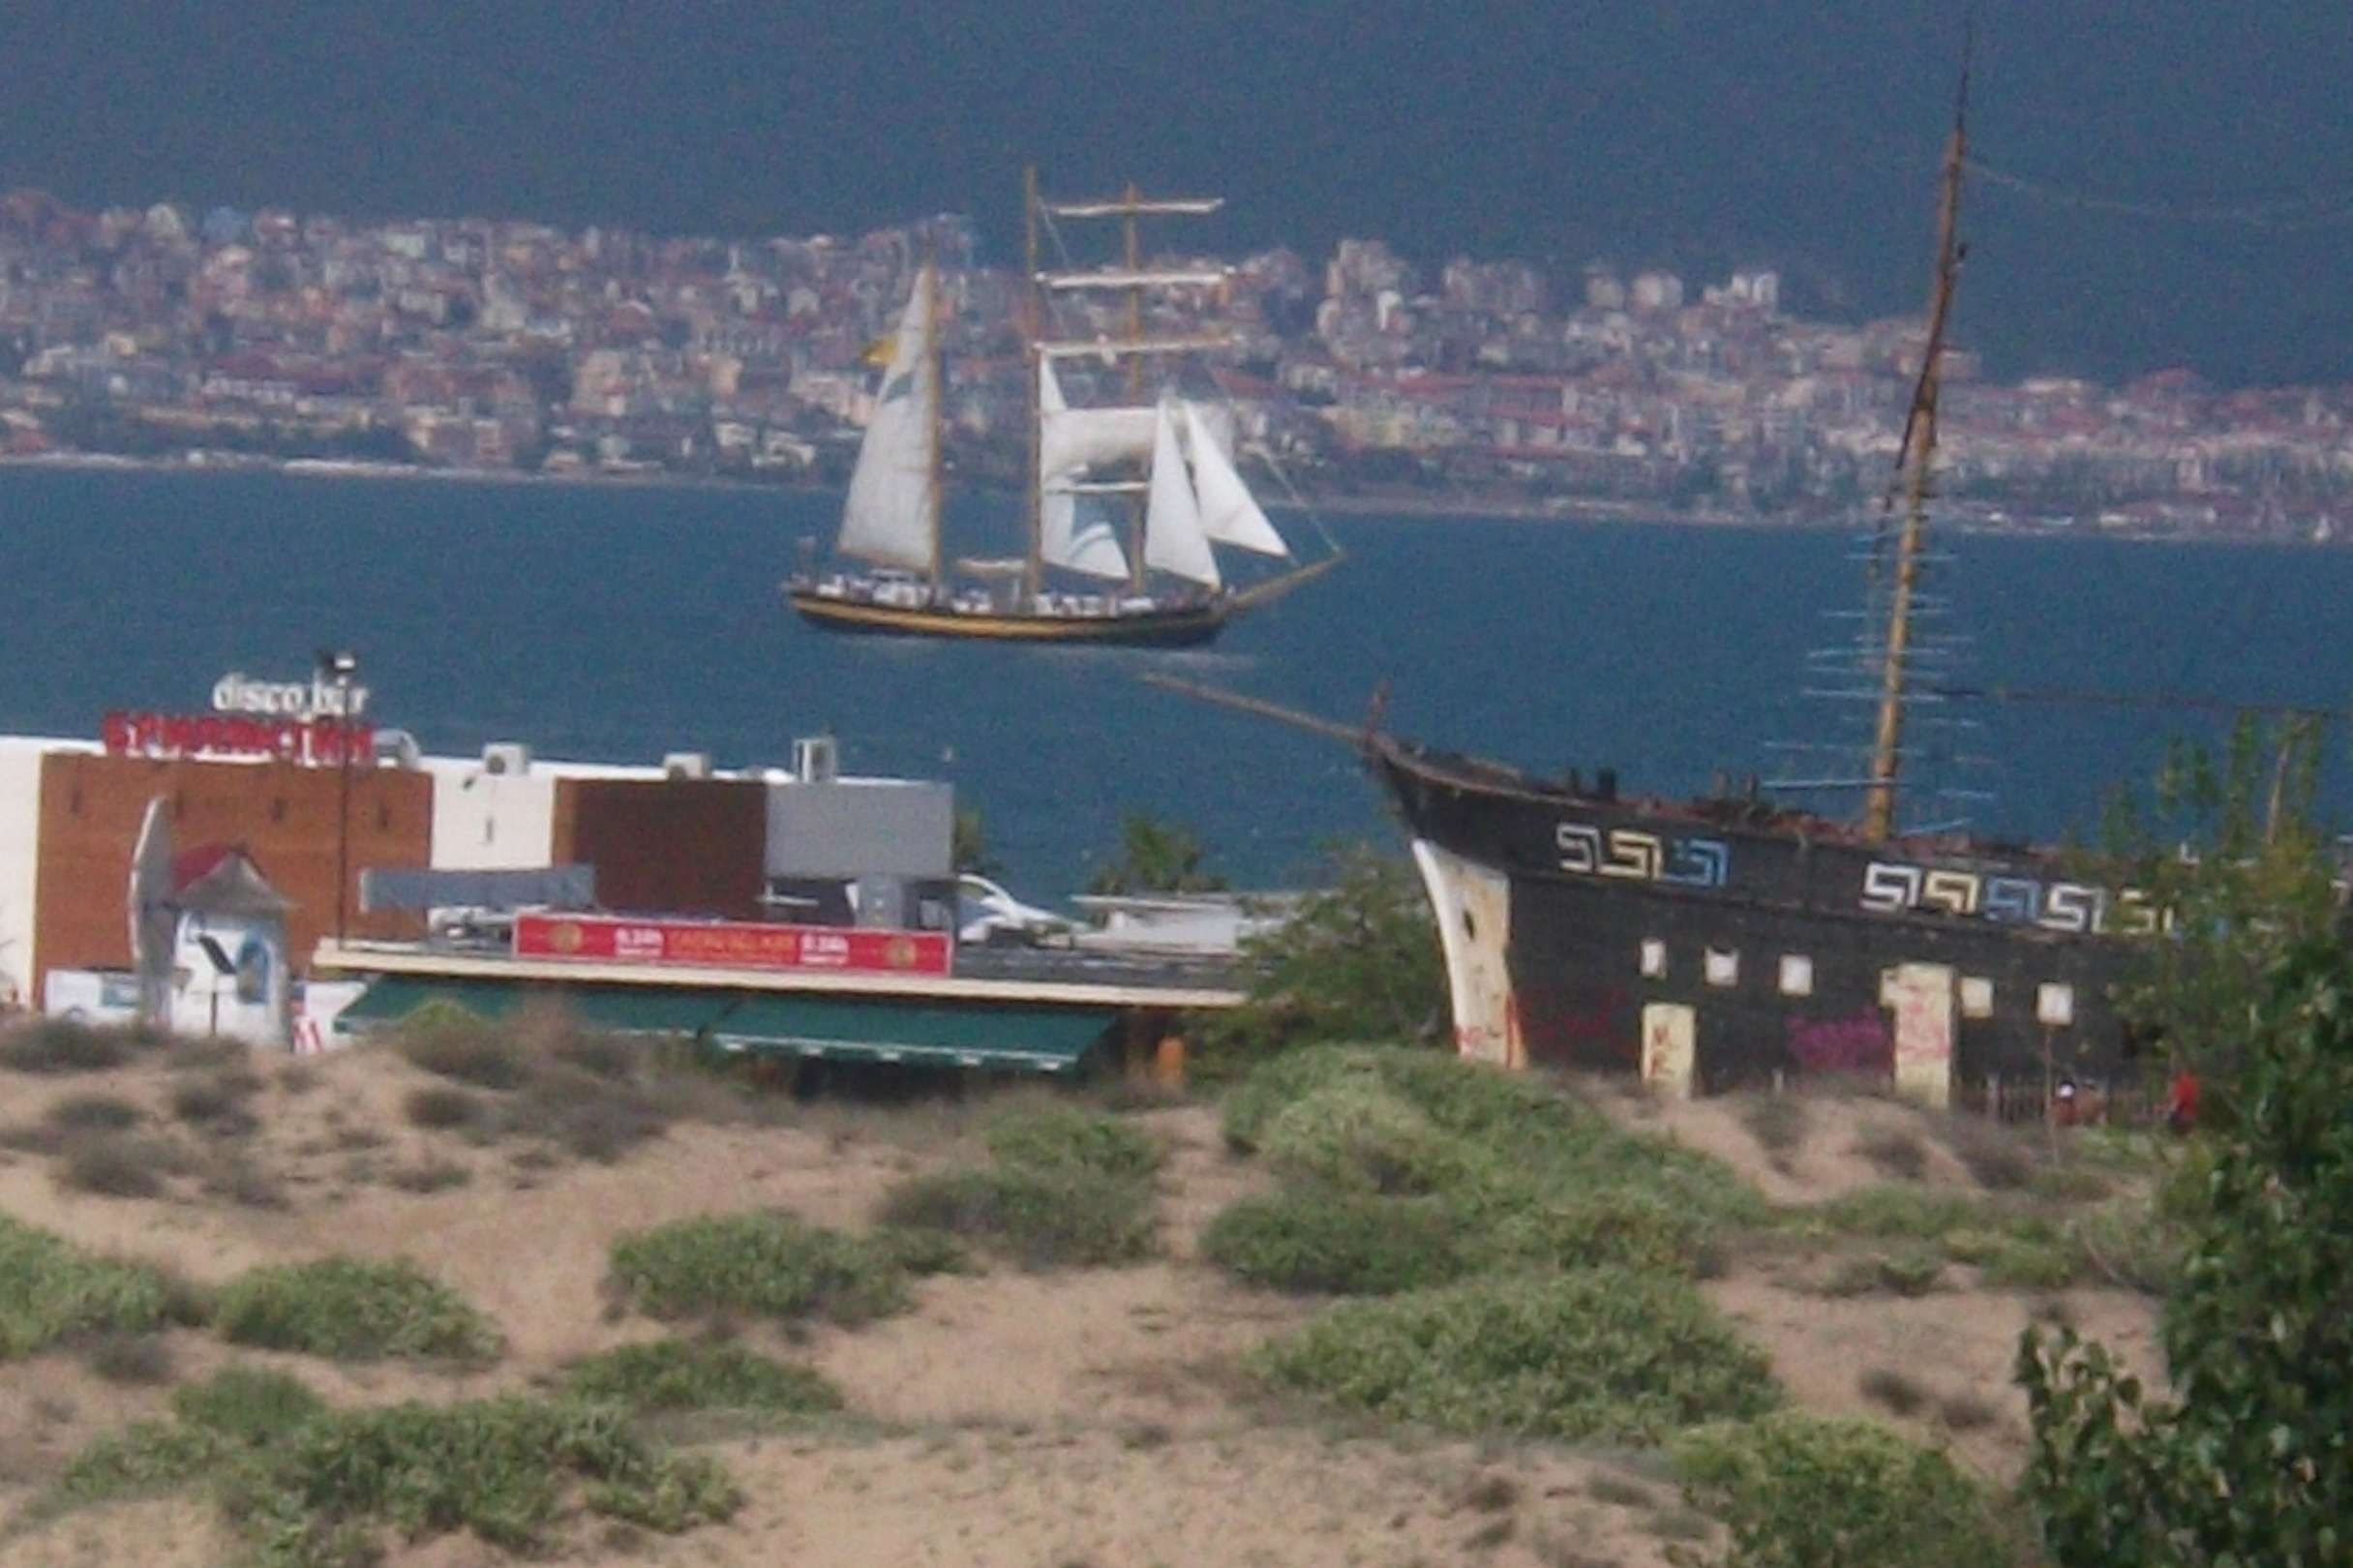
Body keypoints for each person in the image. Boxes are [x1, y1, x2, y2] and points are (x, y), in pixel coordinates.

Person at [2166, 1067, 2199, 1135]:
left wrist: (2167, 1113)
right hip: (2190, 1115)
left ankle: (2181, 1134)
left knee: (2170, 1117)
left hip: (2184, 1117)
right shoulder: (2192, 1082)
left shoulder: (2182, 1084)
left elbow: (2177, 1103)